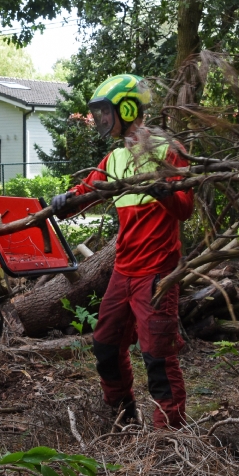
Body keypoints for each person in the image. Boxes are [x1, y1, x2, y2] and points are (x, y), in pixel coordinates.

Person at [51, 73, 194, 429]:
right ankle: (122, 419)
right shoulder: (114, 159)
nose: (101, 120)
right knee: (105, 347)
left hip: (157, 272)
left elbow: (185, 208)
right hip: (124, 270)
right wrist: (64, 201)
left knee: (158, 357)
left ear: (128, 109)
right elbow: (87, 190)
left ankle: (168, 440)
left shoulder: (167, 149)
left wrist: (165, 191)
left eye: (106, 112)